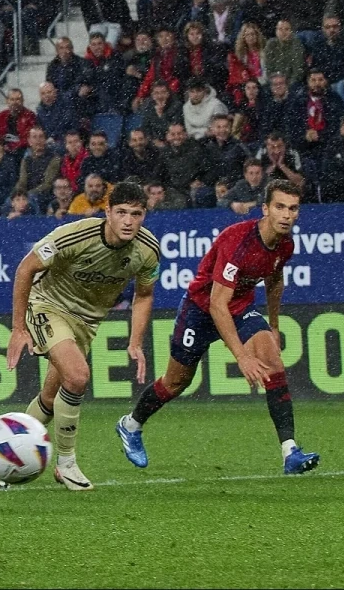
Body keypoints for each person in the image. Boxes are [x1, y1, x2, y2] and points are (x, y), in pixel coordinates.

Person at [114, 180, 320, 476]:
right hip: (200, 310)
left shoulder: (285, 244)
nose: (286, 215)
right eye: (279, 207)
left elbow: (274, 280)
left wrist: (273, 325)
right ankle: (130, 424)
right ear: (265, 209)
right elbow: (216, 304)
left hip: (239, 309)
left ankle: (290, 452)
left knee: (273, 364)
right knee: (175, 383)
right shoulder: (238, 240)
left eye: (293, 208)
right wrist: (242, 357)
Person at [2, 182, 160, 491]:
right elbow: (26, 268)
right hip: (48, 306)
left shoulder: (148, 250)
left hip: (87, 323)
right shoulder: (75, 235)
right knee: (77, 376)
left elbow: (144, 294)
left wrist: (136, 341)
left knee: (51, 399)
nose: (128, 221)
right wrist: (18, 328)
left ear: (144, 215)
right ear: (107, 212)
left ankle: (7, 460)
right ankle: (66, 464)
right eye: (121, 212)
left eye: (136, 214)